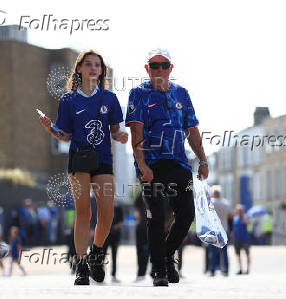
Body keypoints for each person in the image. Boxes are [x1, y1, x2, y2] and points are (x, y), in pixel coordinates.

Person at [39, 49, 128, 286]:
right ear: (79, 69)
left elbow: (115, 129)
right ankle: (81, 265)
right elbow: (65, 135)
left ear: (101, 71)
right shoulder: (68, 100)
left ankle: (97, 254)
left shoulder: (109, 98)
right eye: (88, 64)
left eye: (97, 65)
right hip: (79, 160)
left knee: (107, 212)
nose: (93, 68)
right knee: (83, 212)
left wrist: (120, 136)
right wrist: (50, 128)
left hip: (104, 161)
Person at [126, 48, 208, 286]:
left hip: (179, 163)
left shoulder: (182, 94)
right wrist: (142, 165)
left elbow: (192, 131)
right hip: (151, 163)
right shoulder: (138, 94)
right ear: (147, 69)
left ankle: (165, 255)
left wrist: (202, 159)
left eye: (164, 65)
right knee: (157, 215)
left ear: (171, 68)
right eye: (154, 65)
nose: (159, 69)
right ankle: (160, 270)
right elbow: (136, 133)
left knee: (186, 215)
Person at [208, 186, 232, 276]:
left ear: (214, 194)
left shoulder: (211, 202)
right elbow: (231, 216)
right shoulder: (225, 203)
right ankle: (225, 270)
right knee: (224, 252)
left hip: (214, 230)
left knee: (213, 252)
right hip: (224, 229)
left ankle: (212, 270)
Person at [103, 203, 124, 283]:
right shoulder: (104, 206)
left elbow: (121, 222)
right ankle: (101, 273)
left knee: (114, 256)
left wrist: (114, 227)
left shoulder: (118, 207)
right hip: (105, 235)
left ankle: (114, 275)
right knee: (103, 255)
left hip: (115, 235)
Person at [134, 191, 150, 282]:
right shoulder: (142, 193)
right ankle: (141, 274)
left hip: (152, 226)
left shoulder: (159, 190)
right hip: (142, 226)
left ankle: (153, 272)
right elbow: (136, 207)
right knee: (140, 251)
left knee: (150, 251)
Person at [232, 204, 251, 275]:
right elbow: (234, 228)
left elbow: (249, 224)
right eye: (238, 210)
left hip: (245, 239)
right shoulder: (235, 218)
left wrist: (244, 218)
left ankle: (248, 269)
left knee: (247, 254)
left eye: (241, 210)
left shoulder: (245, 217)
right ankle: (240, 269)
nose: (239, 211)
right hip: (237, 240)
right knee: (238, 255)